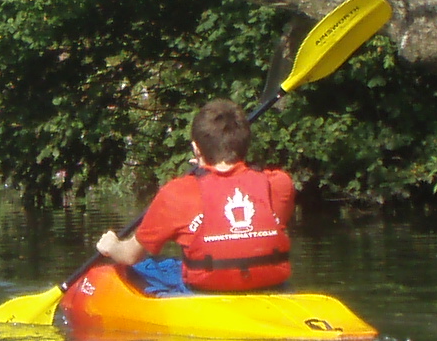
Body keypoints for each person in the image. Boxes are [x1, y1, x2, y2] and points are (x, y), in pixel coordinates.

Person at [93, 99, 294, 296]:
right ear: (245, 144)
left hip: (205, 293)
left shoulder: (177, 192)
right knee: (172, 266)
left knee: (141, 267)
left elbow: (130, 256)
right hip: (271, 287)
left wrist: (112, 247)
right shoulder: (278, 184)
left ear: (196, 149)